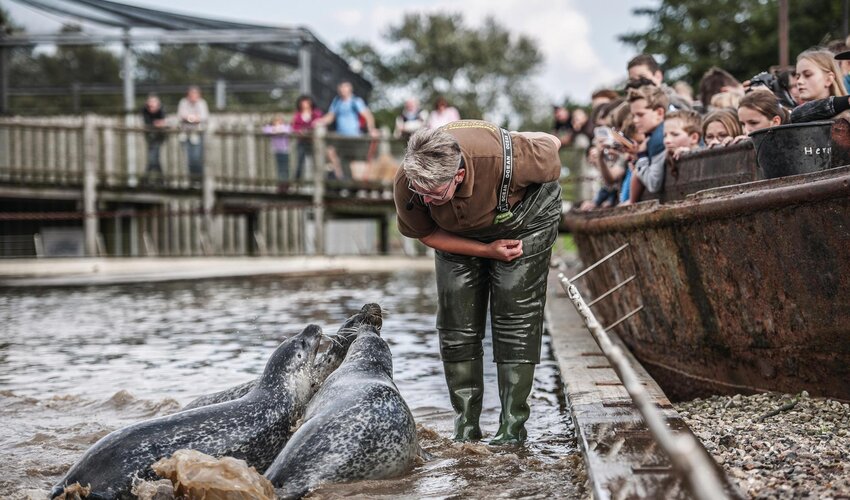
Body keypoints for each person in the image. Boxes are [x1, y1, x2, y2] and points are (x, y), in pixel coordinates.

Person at [393, 120, 562, 445]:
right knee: (456, 320)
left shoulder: (503, 158)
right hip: (458, 233)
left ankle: (511, 429)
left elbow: (552, 142)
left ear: (458, 175)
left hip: (525, 221)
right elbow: (427, 232)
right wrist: (485, 250)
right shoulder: (409, 181)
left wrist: (522, 138)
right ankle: (466, 426)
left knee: (515, 313)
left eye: (434, 194)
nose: (424, 201)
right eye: (420, 192)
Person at [318, 81, 378, 180]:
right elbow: (330, 116)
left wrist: (371, 129)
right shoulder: (337, 101)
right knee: (331, 152)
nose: (343, 91)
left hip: (354, 137)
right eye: (341, 88)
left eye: (345, 88)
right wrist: (319, 121)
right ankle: (341, 178)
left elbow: (367, 115)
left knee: (353, 161)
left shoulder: (356, 101)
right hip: (340, 136)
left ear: (350, 89)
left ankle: (354, 183)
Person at [626, 85, 668, 203]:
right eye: (633, 115)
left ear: (659, 113)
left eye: (640, 115)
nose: (635, 120)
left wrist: (642, 155)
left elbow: (654, 184)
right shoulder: (655, 135)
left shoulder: (658, 139)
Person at [626, 54, 692, 110]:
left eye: (642, 77)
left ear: (658, 76)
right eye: (632, 80)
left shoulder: (675, 103)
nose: (637, 82)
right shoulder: (629, 106)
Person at [177, 86, 209, 181]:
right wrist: (193, 118)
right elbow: (181, 116)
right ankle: (193, 180)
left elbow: (203, 117)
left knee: (196, 159)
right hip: (185, 134)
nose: (193, 97)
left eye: (195, 94)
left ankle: (199, 179)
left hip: (197, 135)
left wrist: (190, 118)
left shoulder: (202, 103)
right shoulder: (183, 102)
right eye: (191, 94)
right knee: (189, 160)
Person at [291, 95, 323, 181]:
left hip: (313, 142)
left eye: (307, 102)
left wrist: (310, 130)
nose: (305, 104)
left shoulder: (316, 113)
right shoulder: (298, 115)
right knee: (299, 162)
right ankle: (296, 181)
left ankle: (319, 180)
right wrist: (300, 131)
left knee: (317, 162)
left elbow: (319, 123)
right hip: (302, 141)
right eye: (303, 102)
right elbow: (294, 127)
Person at [141, 94, 166, 182]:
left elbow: (163, 122)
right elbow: (149, 123)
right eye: (150, 101)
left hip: (159, 137)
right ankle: (160, 179)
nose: (152, 104)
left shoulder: (161, 110)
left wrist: (158, 123)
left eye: (153, 101)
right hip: (150, 137)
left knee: (153, 157)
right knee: (154, 158)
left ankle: (146, 179)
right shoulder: (145, 110)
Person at [263, 115, 293, 188]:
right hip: (276, 150)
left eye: (280, 121)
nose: (278, 123)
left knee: (285, 167)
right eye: (276, 121)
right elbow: (265, 130)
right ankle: (281, 183)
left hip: (285, 150)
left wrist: (277, 130)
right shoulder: (271, 128)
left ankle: (285, 183)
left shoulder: (286, 127)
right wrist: (275, 130)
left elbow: (289, 129)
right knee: (279, 168)